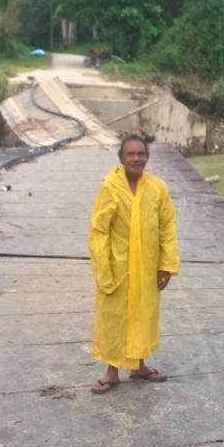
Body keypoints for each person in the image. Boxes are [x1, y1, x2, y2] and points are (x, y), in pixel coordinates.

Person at [89, 134, 180, 392]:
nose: (137, 159)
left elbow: (167, 227)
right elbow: (99, 230)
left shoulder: (157, 188)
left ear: (147, 158)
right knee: (113, 317)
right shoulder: (110, 187)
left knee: (143, 314)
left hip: (147, 266)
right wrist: (102, 267)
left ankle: (139, 366)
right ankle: (111, 372)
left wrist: (167, 264)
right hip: (117, 266)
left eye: (141, 154)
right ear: (121, 158)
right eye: (131, 154)